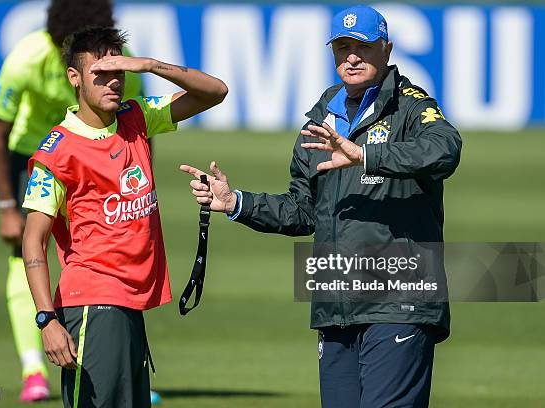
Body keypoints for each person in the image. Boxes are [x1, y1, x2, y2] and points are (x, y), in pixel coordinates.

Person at [181, 5, 461, 407]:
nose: (351, 57)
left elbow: (445, 150)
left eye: (362, 47)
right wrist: (236, 202)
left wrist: (367, 156)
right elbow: (303, 210)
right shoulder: (321, 116)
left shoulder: (411, 105)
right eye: (342, 47)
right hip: (336, 304)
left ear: (387, 49)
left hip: (400, 300)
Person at [22, 26, 227, 408]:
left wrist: (150, 65)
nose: (113, 81)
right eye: (101, 72)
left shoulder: (137, 118)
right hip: (91, 302)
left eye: (120, 71)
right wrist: (46, 320)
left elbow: (214, 92)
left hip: (130, 303)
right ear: (75, 78)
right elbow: (33, 239)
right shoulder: (58, 151)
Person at [0, 0, 143, 402]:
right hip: (33, 159)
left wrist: (135, 185)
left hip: (101, 162)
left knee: (98, 251)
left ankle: (113, 364)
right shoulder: (28, 56)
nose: (109, 76)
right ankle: (33, 369)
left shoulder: (118, 66)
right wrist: (6, 206)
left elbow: (139, 138)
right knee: (25, 253)